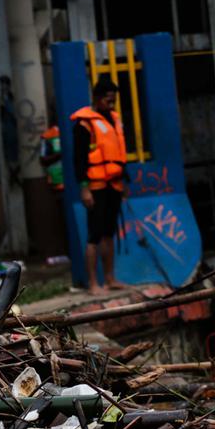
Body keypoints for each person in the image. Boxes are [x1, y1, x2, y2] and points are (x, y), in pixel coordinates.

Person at [71, 78, 129, 294]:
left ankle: (111, 279)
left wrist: (123, 183)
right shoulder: (84, 124)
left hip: (113, 184)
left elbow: (118, 155)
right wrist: (84, 187)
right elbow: (79, 159)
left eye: (113, 100)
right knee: (94, 235)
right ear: (96, 98)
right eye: (108, 100)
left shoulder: (114, 119)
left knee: (108, 233)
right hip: (95, 186)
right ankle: (94, 283)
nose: (112, 104)